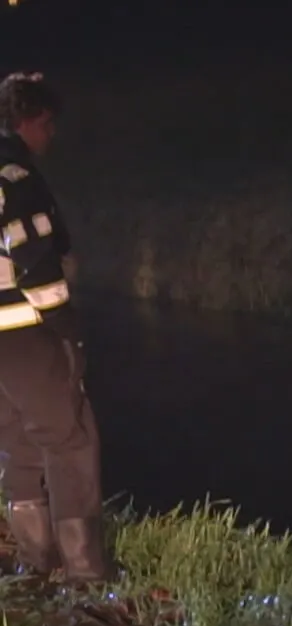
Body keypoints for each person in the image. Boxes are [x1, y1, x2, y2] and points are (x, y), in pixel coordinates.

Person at [0, 70, 112, 582]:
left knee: (17, 440)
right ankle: (85, 573)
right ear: (27, 121)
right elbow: (35, 262)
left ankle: (34, 562)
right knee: (71, 439)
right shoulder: (16, 178)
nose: (51, 134)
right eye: (47, 124)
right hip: (26, 332)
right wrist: (66, 329)